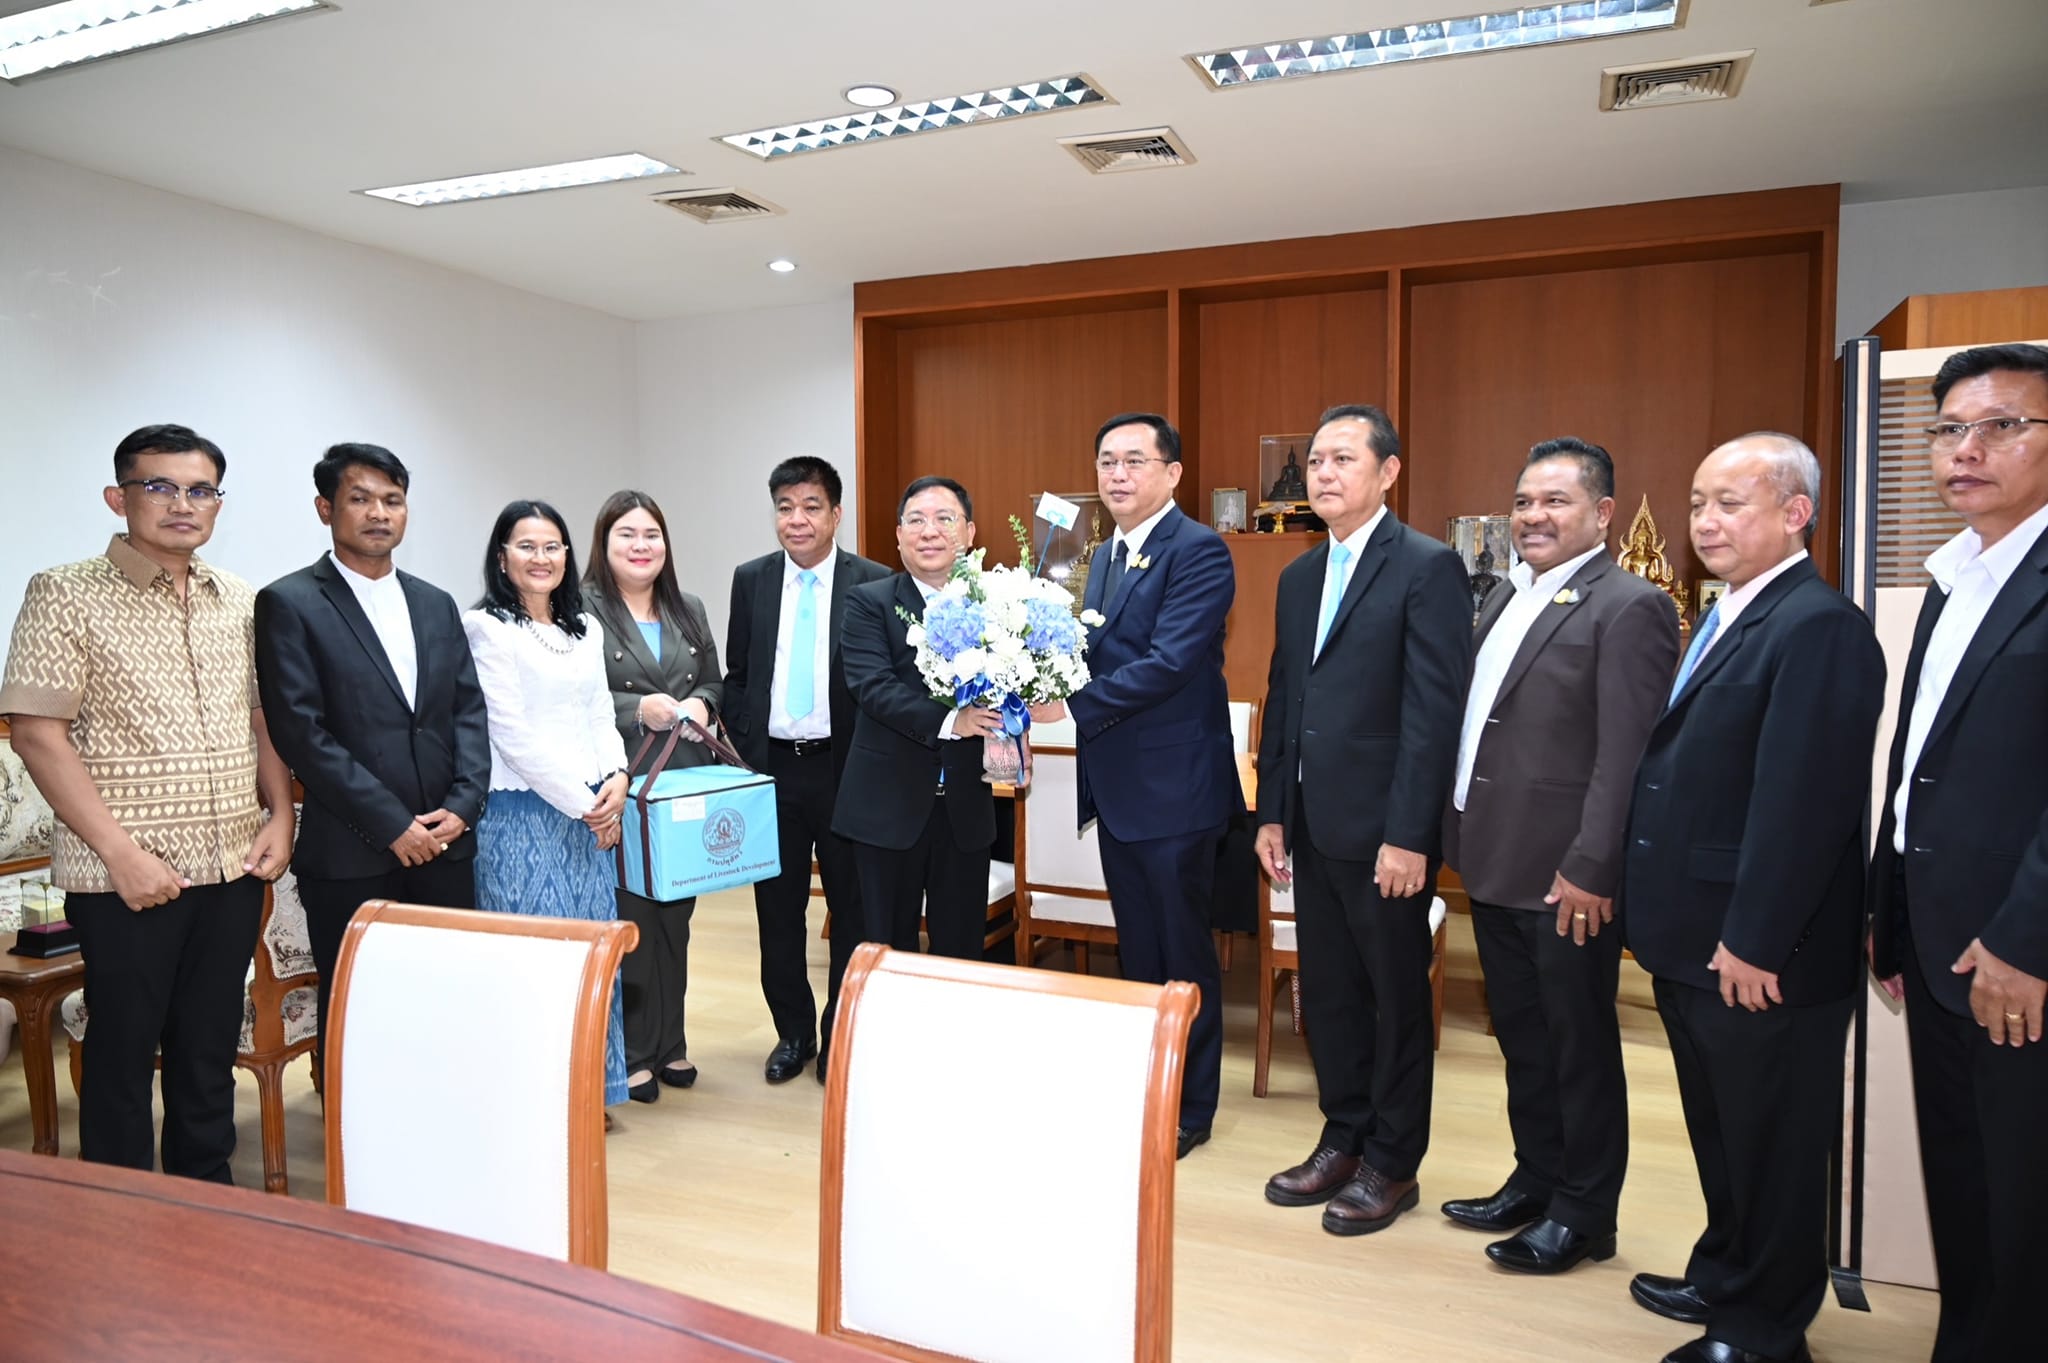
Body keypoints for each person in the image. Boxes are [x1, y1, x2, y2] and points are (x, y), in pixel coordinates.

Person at [1622, 433, 1884, 1363]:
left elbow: (1806, 805)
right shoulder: (1732, 612)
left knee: (1772, 1146)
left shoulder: (1818, 626)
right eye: (1698, 503)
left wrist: (1758, 938)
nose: (1705, 521)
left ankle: (1766, 1331)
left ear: (1796, 512)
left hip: (1760, 950)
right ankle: (1725, 1272)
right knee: (1723, 1129)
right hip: (1698, 934)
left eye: (1730, 503)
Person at [1, 424, 294, 1181]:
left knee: (207, 1052)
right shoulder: (63, 592)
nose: (181, 504)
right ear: (118, 497)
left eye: (200, 490)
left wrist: (281, 814)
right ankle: (118, 1220)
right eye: (159, 486)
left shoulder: (241, 599)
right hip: (124, 877)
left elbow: (262, 717)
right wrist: (120, 854)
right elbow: (36, 732)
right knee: (122, 1058)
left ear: (218, 503)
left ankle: (205, 1207)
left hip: (232, 866)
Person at [1440, 437, 1679, 1272]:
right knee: (1524, 1036)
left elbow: (1628, 756)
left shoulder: (1630, 605)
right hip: (1496, 858)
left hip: (1567, 874)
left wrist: (1593, 866)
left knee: (1578, 1046)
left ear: (1603, 513)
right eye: (1523, 502)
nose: (1533, 516)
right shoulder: (1507, 592)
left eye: (1555, 501)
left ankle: (1584, 1213)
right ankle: (1536, 1176)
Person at [1868, 342, 2048, 1363]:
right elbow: (1917, 763)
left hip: (2017, 957)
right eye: (1947, 430)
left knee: (2022, 1204)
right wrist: (1887, 912)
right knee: (1964, 1185)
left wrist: (2027, 940)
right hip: (1936, 943)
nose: (1964, 449)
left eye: (2001, 426)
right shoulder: (1955, 575)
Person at [1254, 404, 1470, 1228]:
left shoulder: (1427, 566)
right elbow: (1285, 697)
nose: (1323, 473)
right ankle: (1342, 1136)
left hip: (1386, 833)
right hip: (1312, 825)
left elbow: (1432, 715)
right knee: (1331, 995)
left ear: (1388, 472)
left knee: (1394, 1002)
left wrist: (1411, 834)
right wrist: (1272, 810)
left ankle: (1391, 1160)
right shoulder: (1299, 575)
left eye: (1343, 458)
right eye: (1315, 460)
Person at [1030, 412, 1239, 1160]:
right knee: (1141, 951)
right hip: (1120, 790)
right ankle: (1149, 1086)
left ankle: (1191, 1105)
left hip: (1175, 791)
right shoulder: (1106, 555)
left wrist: (1068, 706)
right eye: (1107, 461)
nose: (1117, 474)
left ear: (1172, 473)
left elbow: (1170, 662)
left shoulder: (1198, 550)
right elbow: (1091, 653)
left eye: (1134, 460)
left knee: (1182, 953)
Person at [254, 442, 491, 1058]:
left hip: (445, 843)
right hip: (352, 852)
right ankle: (355, 1121)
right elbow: (301, 732)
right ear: (325, 508)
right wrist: (392, 825)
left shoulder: (435, 602)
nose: (379, 513)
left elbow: (467, 711)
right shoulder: (289, 602)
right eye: (360, 499)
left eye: (393, 500)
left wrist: (464, 804)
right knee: (359, 1011)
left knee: (446, 999)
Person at [723, 458, 891, 1085]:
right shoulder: (751, 580)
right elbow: (740, 674)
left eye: (811, 506)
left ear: (836, 514)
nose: (797, 519)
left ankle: (839, 1031)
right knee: (778, 912)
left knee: (852, 911)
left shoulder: (874, 582)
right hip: (773, 773)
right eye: (785, 507)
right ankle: (793, 1033)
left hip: (846, 772)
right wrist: (742, 753)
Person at [462, 500, 631, 1110]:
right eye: (527, 546)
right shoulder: (486, 628)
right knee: (533, 965)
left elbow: (600, 713)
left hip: (590, 816)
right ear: (502, 556)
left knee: (590, 958)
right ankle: (534, 1102)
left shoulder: (584, 629)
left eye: (552, 546)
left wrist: (618, 778)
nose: (542, 558)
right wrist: (589, 803)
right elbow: (511, 735)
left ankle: (586, 1095)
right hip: (522, 816)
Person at [583, 490, 721, 1102]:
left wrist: (703, 705)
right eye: (627, 535)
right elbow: (574, 698)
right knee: (633, 917)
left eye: (652, 535)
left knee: (676, 918)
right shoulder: (581, 609)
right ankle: (634, 1053)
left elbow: (715, 682)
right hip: (622, 783)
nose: (641, 546)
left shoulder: (688, 607)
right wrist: (638, 708)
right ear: (604, 543)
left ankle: (672, 1044)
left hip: (683, 783)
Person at [832, 477, 999, 968]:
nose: (930, 531)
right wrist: (953, 721)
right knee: (885, 952)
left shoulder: (997, 607)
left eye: (945, 519)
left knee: (961, 953)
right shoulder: (869, 601)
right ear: (899, 534)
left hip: (965, 809)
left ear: (969, 532)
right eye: (917, 520)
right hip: (887, 808)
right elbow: (872, 686)